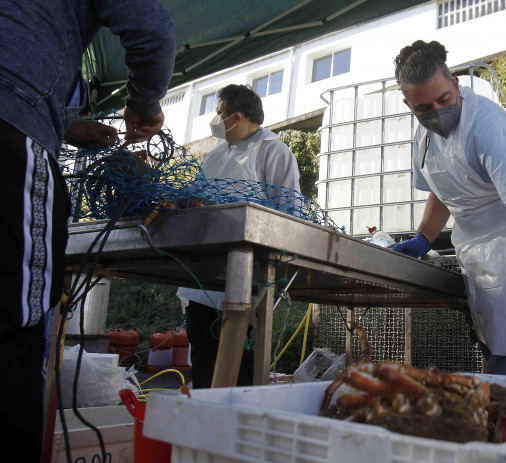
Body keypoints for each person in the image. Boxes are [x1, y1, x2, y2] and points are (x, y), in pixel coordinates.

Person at [0, 0, 175, 459]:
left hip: (26, 115)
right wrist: (143, 106)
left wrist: (66, 126)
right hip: (11, 128)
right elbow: (151, 29)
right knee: (15, 330)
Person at [391, 40, 506, 376]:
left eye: (444, 99)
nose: (436, 110)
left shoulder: (489, 127)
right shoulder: (423, 138)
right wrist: (423, 238)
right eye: (423, 108)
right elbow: (441, 191)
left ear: (456, 84)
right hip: (474, 256)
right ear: (409, 105)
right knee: (492, 349)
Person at [176, 84, 301, 389]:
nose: (216, 121)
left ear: (237, 115)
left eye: (219, 113)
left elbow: (290, 211)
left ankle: (237, 425)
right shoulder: (213, 155)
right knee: (204, 352)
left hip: (249, 272)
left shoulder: (274, 150)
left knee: (241, 361)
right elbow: (198, 199)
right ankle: (206, 425)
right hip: (202, 272)